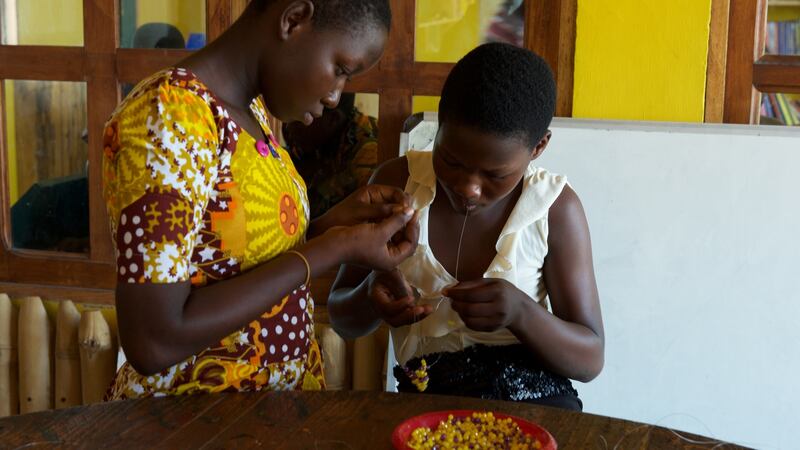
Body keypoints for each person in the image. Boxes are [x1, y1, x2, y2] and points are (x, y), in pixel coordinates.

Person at [101, 0, 418, 399]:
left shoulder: (248, 115)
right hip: (191, 424)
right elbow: (153, 341)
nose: (337, 96)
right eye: (340, 69)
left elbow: (229, 265)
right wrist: (333, 248)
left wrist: (334, 227)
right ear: (293, 19)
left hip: (266, 419)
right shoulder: (170, 117)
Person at [328, 43, 604, 411]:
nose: (468, 187)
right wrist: (369, 296)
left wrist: (522, 312)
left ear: (538, 147)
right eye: (451, 161)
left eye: (494, 174)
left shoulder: (553, 209)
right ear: (439, 123)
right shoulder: (396, 184)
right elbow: (342, 319)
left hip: (535, 408)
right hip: (425, 412)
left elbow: (590, 359)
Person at [283, 92, 379, 219]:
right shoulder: (319, 135)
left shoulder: (368, 149)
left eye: (298, 119)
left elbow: (317, 208)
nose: (287, 126)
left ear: (334, 119)